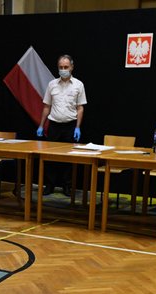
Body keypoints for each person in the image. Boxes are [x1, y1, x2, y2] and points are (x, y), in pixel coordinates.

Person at [36, 54, 87, 196]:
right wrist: (41, 125)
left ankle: (67, 186)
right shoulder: (52, 84)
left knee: (68, 158)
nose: (63, 69)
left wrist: (78, 127)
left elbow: (80, 108)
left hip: (70, 126)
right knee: (50, 157)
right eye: (60, 67)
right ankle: (50, 185)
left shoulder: (78, 85)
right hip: (54, 125)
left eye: (66, 67)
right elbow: (46, 106)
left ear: (72, 67)